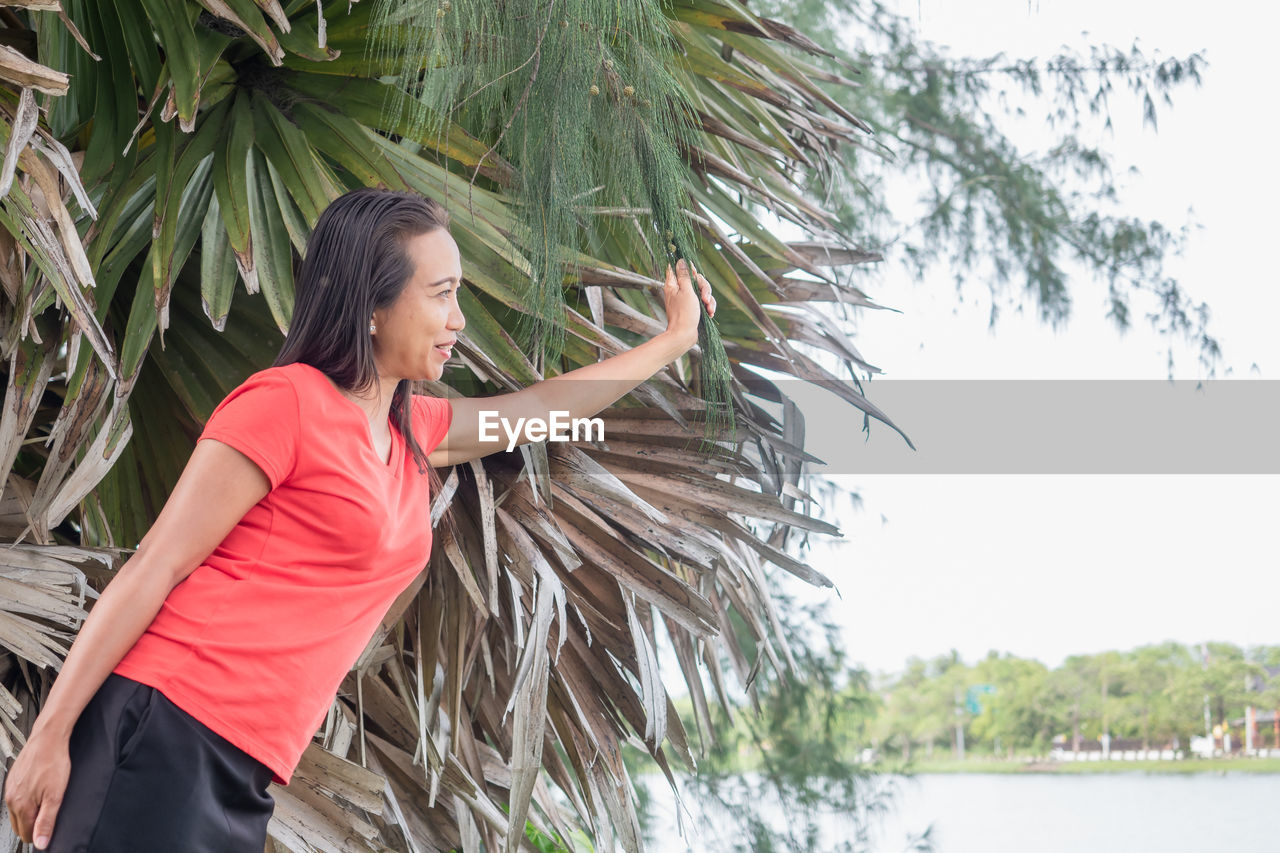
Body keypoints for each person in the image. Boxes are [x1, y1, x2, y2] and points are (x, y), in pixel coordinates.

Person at [3, 187, 715, 852]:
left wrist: (672, 341)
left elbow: (538, 411)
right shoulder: (285, 403)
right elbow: (155, 565)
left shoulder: (413, 431)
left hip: (244, 765)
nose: (458, 319)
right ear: (373, 306)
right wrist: (50, 734)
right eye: (442, 295)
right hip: (167, 724)